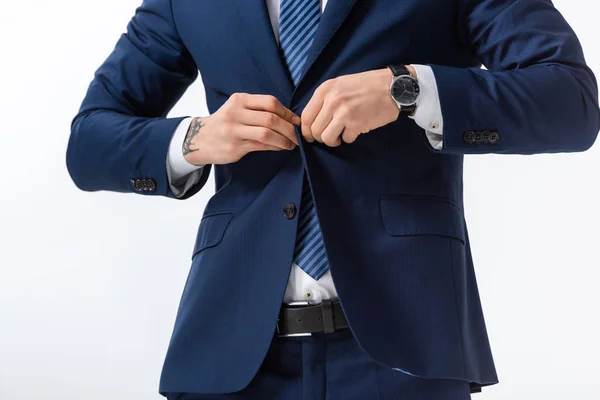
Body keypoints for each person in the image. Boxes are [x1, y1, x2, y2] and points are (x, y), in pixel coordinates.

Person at [66, 0, 600, 398]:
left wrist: (406, 90)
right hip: (229, 351)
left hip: (405, 350)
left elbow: (570, 101)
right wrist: (195, 138)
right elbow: (88, 143)